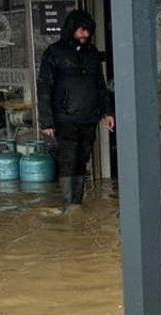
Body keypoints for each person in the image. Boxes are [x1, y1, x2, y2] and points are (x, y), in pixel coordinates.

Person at [37, 9, 114, 211]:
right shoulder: (54, 53)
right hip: (64, 119)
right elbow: (44, 88)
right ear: (72, 29)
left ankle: (76, 203)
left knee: (82, 160)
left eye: (88, 31)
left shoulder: (92, 54)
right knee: (68, 159)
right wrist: (47, 122)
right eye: (82, 30)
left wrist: (107, 112)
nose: (85, 35)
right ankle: (68, 203)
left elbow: (100, 85)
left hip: (88, 117)